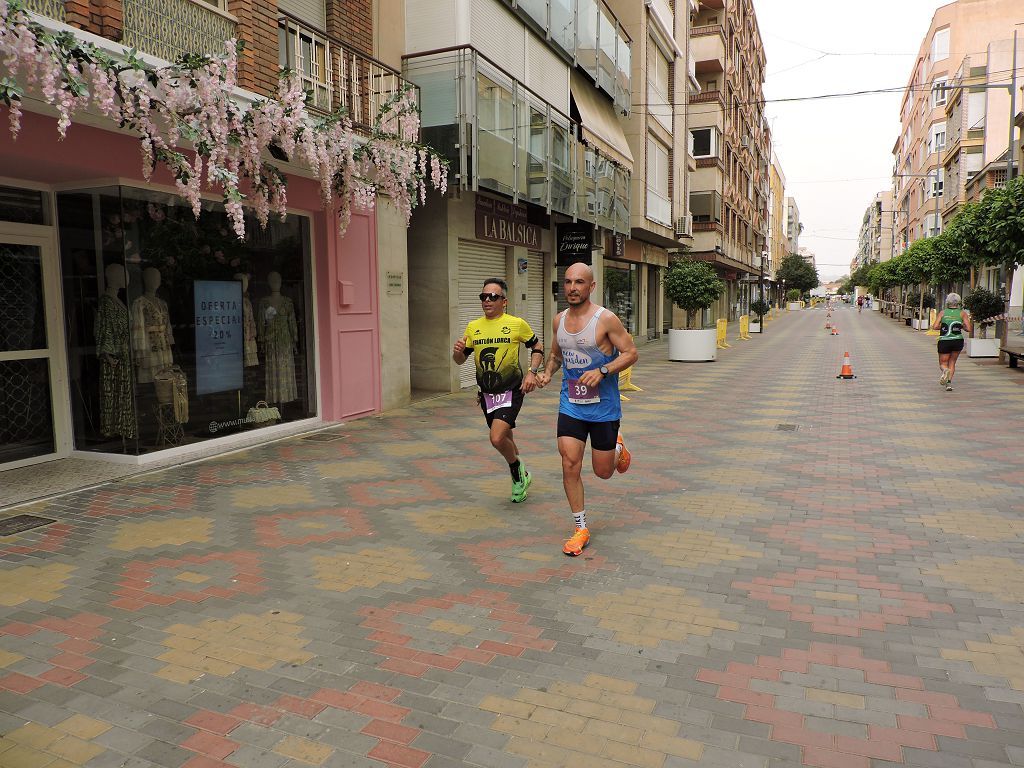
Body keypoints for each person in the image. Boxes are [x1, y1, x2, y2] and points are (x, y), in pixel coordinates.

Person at [535, 262, 638, 556]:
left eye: (579, 282)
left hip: (604, 409)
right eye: (567, 282)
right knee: (569, 463)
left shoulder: (605, 320)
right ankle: (580, 527)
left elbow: (631, 352)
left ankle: (618, 449)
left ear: (591, 287)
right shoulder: (559, 321)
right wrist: (547, 373)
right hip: (572, 405)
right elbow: (556, 356)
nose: (572, 287)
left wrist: (603, 370)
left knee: (603, 472)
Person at [453, 278, 543, 502]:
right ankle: (523, 473)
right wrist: (457, 351)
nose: (487, 300)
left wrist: (532, 372)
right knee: (506, 437)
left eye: (493, 296)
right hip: (486, 395)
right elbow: (459, 361)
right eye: (483, 296)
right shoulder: (473, 327)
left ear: (504, 301)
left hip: (512, 390)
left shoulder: (516, 323)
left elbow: (537, 347)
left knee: (496, 438)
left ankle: (517, 472)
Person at [930, 292, 971, 392]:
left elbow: (934, 326)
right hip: (958, 341)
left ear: (947, 302)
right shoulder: (962, 313)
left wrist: (944, 327)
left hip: (945, 340)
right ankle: (948, 384)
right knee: (952, 362)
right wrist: (960, 326)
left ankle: (945, 370)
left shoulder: (942, 313)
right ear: (958, 302)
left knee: (943, 363)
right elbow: (968, 328)